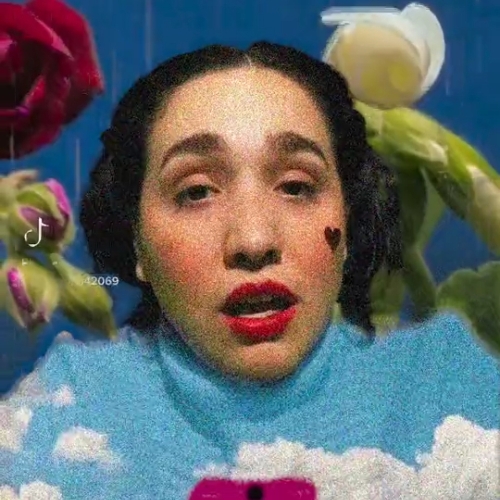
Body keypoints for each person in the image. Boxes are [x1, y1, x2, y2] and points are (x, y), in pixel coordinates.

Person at [1, 42, 498, 500]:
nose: (254, 242)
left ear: (348, 221)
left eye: (296, 186)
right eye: (196, 191)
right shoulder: (59, 411)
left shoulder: (449, 385)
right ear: (137, 244)